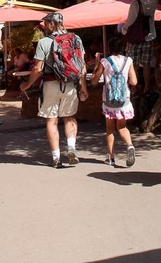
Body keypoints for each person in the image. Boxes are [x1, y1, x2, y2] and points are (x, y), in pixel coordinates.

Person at [23, 11, 87, 166]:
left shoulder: (43, 43)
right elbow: (82, 66)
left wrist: (27, 85)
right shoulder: (75, 39)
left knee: (52, 121)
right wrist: (83, 87)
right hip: (70, 85)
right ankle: (71, 147)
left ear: (52, 24)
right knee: (70, 118)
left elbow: (38, 69)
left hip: (50, 85)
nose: (44, 27)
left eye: (46, 24)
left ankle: (56, 157)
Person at [91, 36, 138, 167]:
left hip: (109, 100)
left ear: (109, 48)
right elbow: (134, 81)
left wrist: (96, 64)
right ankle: (129, 146)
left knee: (110, 129)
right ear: (123, 48)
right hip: (124, 100)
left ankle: (111, 158)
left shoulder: (105, 62)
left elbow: (94, 81)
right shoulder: (128, 61)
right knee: (122, 127)